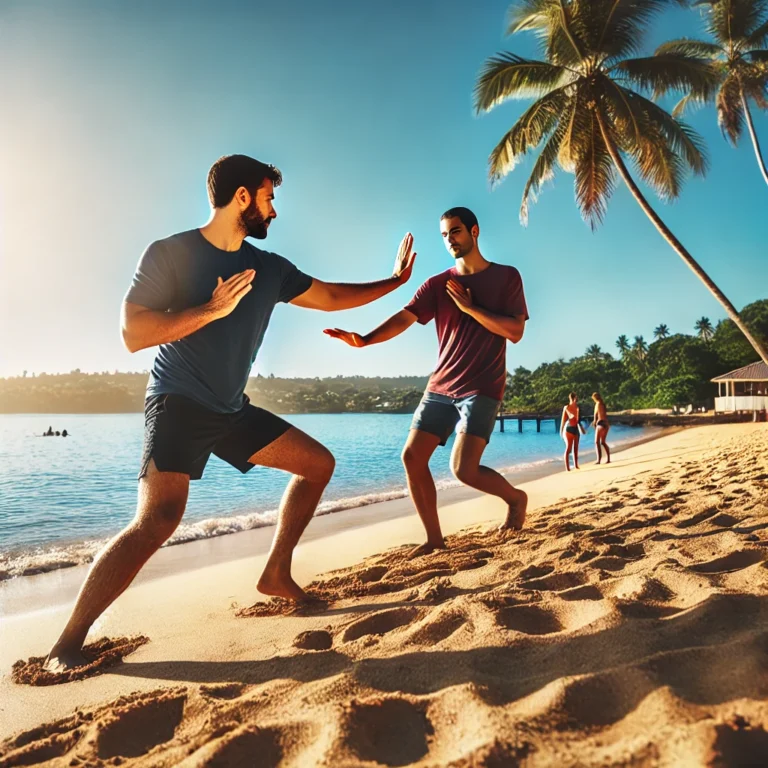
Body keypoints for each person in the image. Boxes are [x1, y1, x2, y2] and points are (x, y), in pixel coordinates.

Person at [45, 154, 417, 672]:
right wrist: (210, 310)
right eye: (269, 198)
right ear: (242, 197)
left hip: (229, 408)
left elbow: (330, 296)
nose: (274, 211)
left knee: (318, 464)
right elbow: (134, 334)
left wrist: (392, 283)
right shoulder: (171, 254)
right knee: (158, 519)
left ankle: (276, 574)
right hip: (177, 400)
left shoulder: (271, 270)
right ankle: (66, 644)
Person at [325, 207, 528, 554]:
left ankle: (515, 498)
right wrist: (365, 339)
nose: (450, 240)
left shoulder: (507, 277)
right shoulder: (437, 285)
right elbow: (405, 318)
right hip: (440, 386)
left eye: (456, 231)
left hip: (482, 388)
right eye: (445, 235)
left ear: (475, 231)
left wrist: (470, 309)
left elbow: (515, 332)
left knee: (464, 470)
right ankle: (435, 541)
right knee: (412, 457)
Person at [560, 392, 581, 471]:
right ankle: (568, 467)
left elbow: (577, 419)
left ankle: (575, 465)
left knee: (574, 448)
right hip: (569, 428)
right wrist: (561, 430)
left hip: (574, 428)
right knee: (569, 448)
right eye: (575, 398)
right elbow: (563, 420)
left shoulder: (576, 407)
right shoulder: (567, 407)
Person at [592, 391, 611, 464]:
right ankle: (608, 458)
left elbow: (596, 415)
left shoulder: (598, 404)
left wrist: (595, 422)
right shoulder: (603, 403)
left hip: (600, 423)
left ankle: (598, 460)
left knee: (597, 442)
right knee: (603, 442)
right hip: (606, 423)